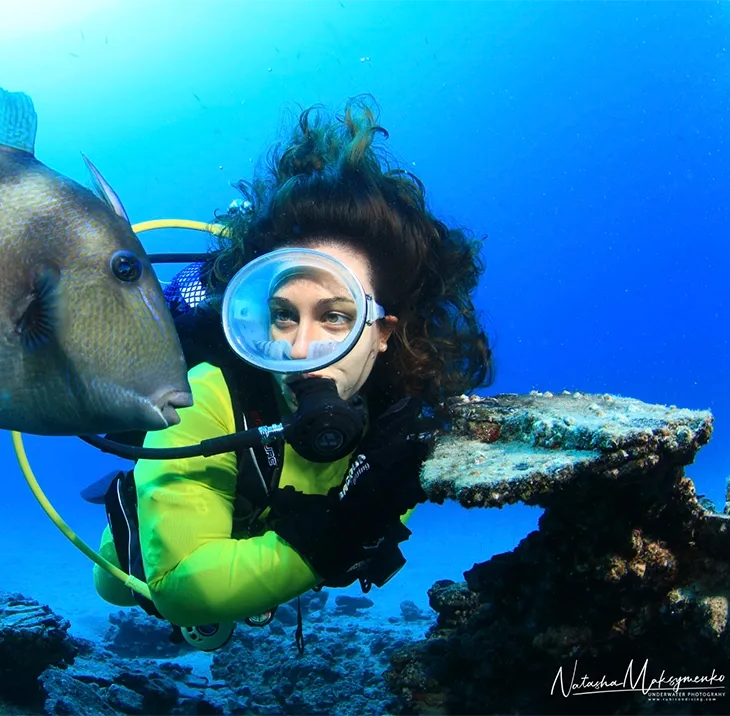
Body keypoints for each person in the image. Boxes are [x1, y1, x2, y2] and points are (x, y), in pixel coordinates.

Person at [89, 96, 493, 651]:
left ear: (382, 332)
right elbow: (181, 590)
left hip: (267, 540)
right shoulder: (204, 395)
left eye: (335, 317)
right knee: (115, 584)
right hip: (177, 557)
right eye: (284, 315)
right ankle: (135, 513)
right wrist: (333, 539)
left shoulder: (402, 418)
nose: (302, 347)